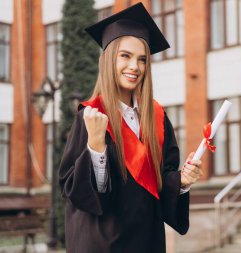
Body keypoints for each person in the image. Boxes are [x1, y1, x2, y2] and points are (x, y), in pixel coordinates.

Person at [58, 3, 203, 253]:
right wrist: (95, 146)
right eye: (125, 56)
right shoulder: (91, 115)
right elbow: (79, 193)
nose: (134, 66)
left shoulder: (156, 116)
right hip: (104, 242)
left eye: (142, 59)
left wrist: (182, 182)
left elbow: (162, 176)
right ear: (108, 60)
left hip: (147, 238)